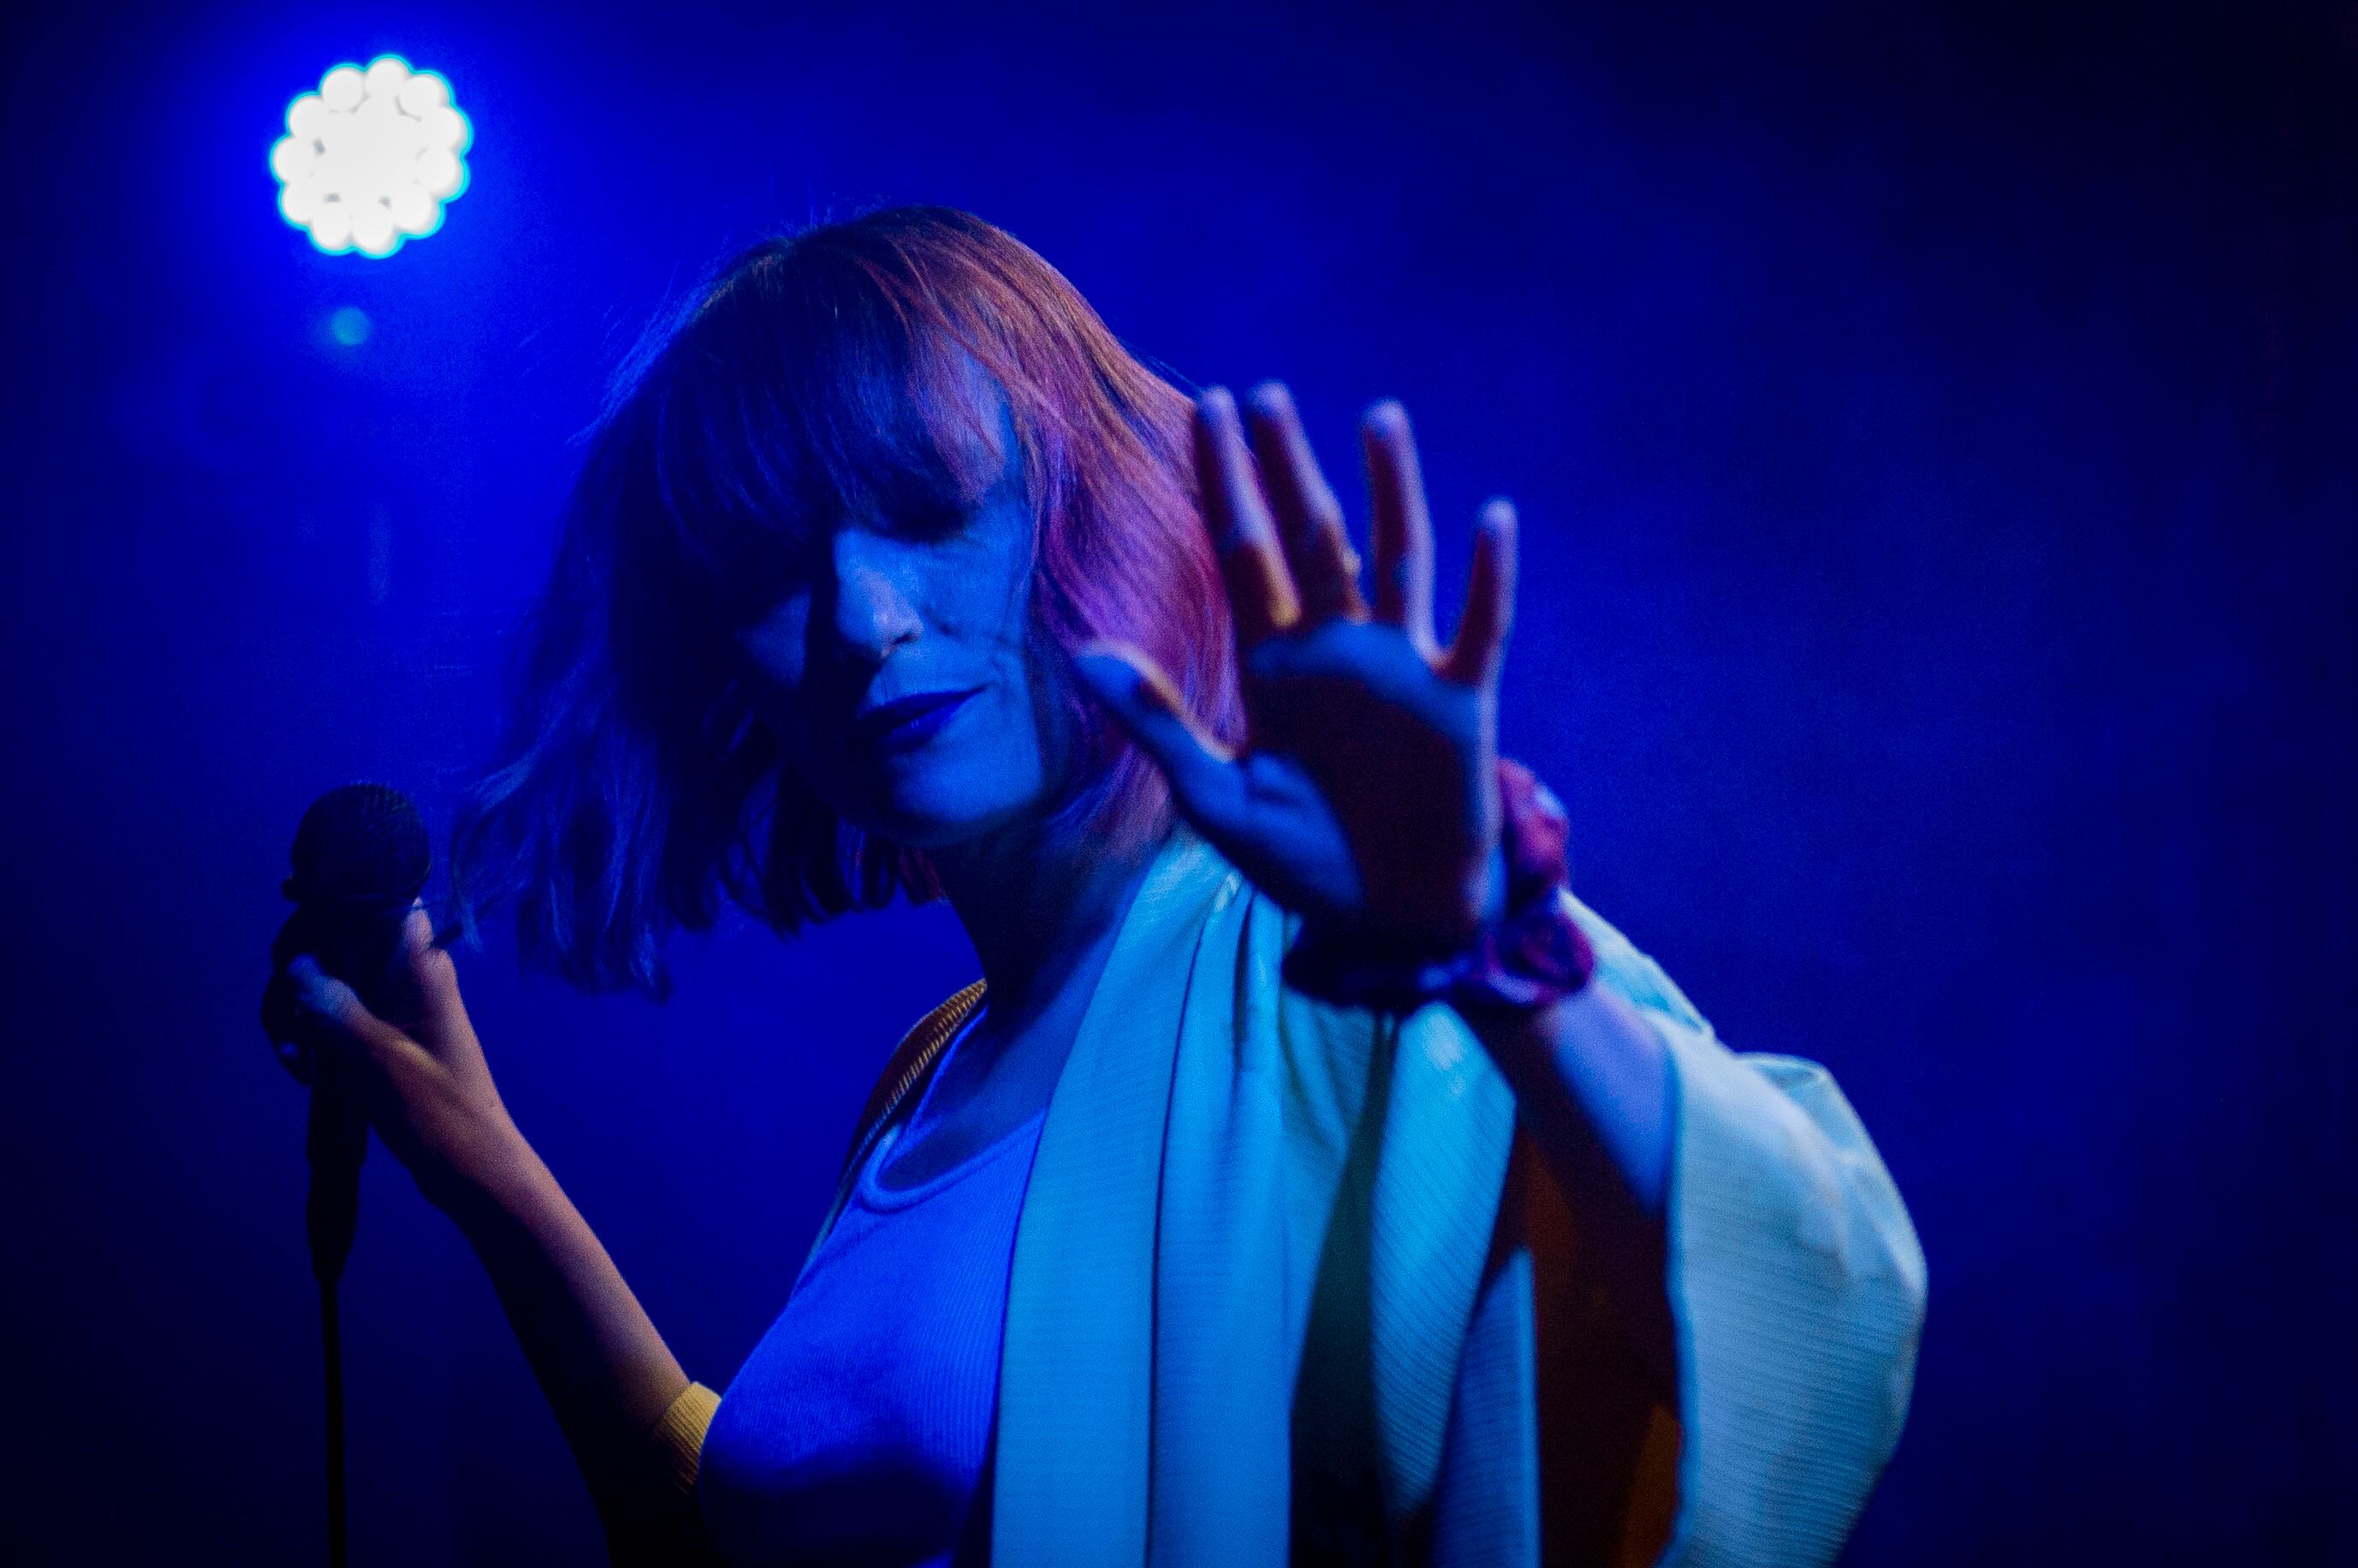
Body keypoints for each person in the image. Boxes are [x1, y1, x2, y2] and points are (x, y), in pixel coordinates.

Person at [266, 205, 1925, 1566]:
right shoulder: (933, 1076)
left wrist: (1501, 958)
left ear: (1080, 510)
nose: (861, 617)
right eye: (770, 565)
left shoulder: (1316, 969)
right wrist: (478, 1162)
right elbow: (737, 1532)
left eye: (925, 508)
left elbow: (1811, 1278)